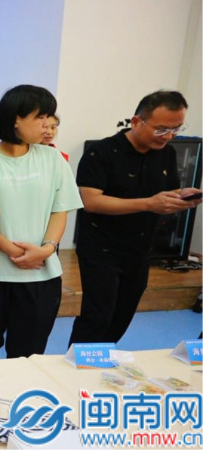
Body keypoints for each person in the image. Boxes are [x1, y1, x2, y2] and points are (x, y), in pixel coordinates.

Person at [69, 90, 201, 345]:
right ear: (136, 121)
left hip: (140, 248)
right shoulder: (101, 152)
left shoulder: (166, 153)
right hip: (101, 248)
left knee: (123, 315)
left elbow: (168, 191)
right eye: (161, 129)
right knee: (97, 317)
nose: (169, 136)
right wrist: (150, 203)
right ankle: (78, 365)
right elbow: (91, 202)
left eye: (176, 129)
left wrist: (182, 196)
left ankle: (102, 359)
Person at [0, 85, 83, 359]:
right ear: (15, 119)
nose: (48, 124)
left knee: (29, 356)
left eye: (49, 117)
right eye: (40, 117)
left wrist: (47, 248)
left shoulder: (53, 158)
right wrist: (11, 249)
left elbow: (59, 210)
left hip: (41, 274)